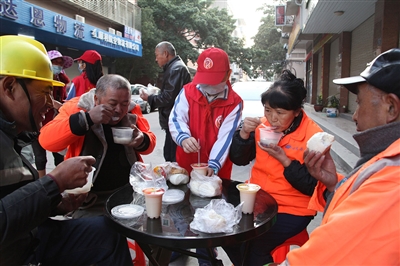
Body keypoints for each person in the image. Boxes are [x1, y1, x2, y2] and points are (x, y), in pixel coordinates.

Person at [0, 35, 132, 265]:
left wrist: (55, 203)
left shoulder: (14, 136)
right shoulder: (77, 107)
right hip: (15, 251)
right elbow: (49, 140)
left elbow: (14, 199)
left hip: (33, 234)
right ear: (10, 88)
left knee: (109, 232)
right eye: (44, 92)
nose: (51, 102)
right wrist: (55, 182)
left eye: (124, 103)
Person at [277, 48, 400, 265]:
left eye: (360, 102)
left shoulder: (393, 181)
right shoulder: (385, 159)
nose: (353, 115)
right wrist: (334, 185)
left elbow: (322, 258)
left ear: (391, 108)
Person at [222, 69, 322, 265]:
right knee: (225, 231)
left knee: (256, 245)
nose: (272, 118)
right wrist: (243, 135)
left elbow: (312, 186)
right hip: (259, 198)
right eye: (268, 110)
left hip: (294, 208)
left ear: (297, 111)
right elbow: (239, 159)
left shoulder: (314, 137)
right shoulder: (262, 126)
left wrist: (285, 161)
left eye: (280, 113)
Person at [40, 74, 156, 218]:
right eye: (112, 103)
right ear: (96, 99)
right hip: (88, 201)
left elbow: (150, 141)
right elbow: (46, 140)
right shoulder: (76, 108)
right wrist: (87, 119)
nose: (119, 110)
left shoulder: (132, 110)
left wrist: (142, 140)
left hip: (126, 195)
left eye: (124, 104)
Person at [169, 47, 243, 179]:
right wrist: (183, 137)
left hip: (216, 169)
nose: (208, 85)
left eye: (213, 81)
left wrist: (214, 163)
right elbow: (176, 118)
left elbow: (226, 138)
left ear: (228, 74)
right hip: (187, 163)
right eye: (205, 81)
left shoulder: (234, 103)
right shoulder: (187, 92)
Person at [140, 41, 191, 162]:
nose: (156, 59)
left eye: (157, 55)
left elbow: (169, 98)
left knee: (172, 156)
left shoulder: (176, 69)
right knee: (170, 154)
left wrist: (149, 98)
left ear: (166, 54)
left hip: (175, 120)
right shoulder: (175, 68)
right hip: (173, 120)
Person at [31, 50, 72, 177]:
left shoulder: (61, 81)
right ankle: (41, 183)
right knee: (40, 156)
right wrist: (53, 103)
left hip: (55, 122)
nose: (58, 66)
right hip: (39, 121)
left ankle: (59, 181)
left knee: (58, 152)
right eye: (55, 62)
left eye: (60, 63)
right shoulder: (40, 80)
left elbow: (64, 98)